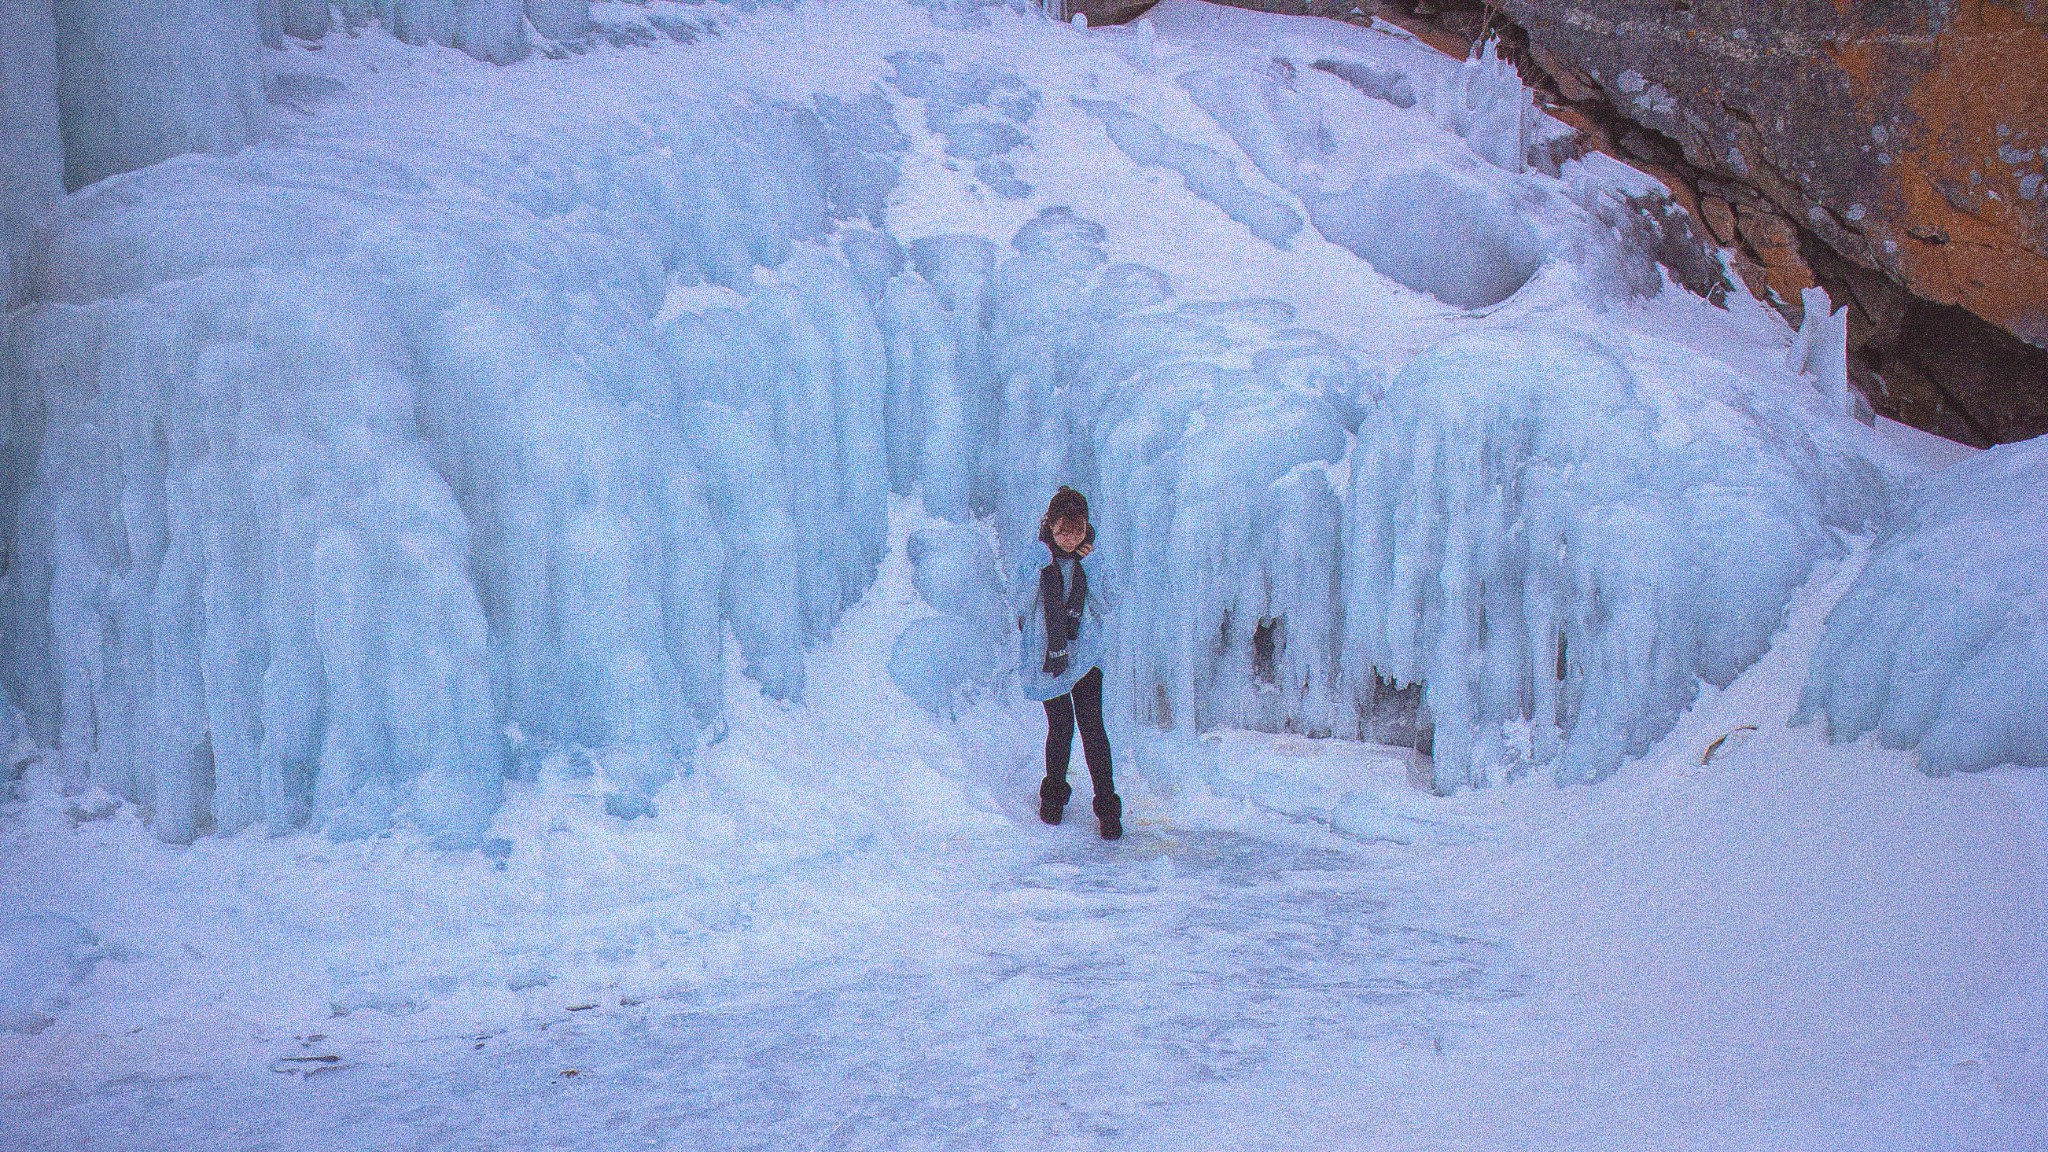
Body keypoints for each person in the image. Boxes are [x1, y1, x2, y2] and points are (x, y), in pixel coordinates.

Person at [1016, 486, 1120, 840]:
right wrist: (1037, 569)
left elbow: (1107, 604)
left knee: (1093, 729)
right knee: (1060, 728)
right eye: (1063, 529)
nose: (1069, 538)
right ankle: (1053, 797)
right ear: (1051, 524)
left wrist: (1091, 565)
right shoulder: (1036, 556)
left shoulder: (1091, 559)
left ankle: (1108, 808)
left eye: (1077, 530)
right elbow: (1020, 605)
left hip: (1086, 656)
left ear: (1086, 528)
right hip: (1049, 659)